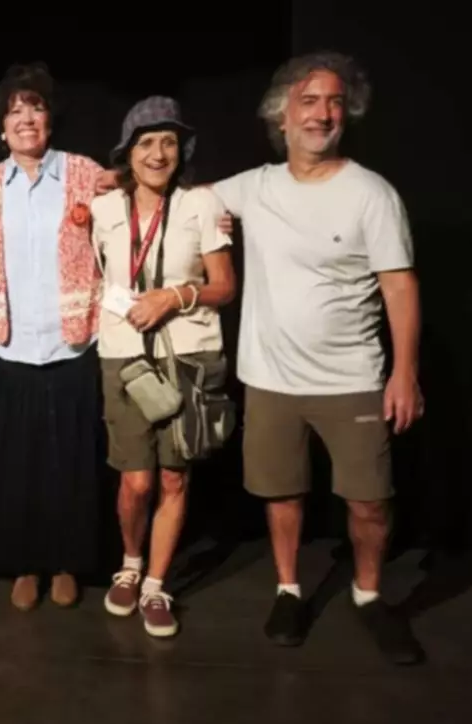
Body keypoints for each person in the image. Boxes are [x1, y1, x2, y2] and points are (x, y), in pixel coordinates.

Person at [211, 52, 426, 664]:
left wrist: (404, 373)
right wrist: (117, 182)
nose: (322, 114)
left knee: (369, 501)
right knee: (282, 493)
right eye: (308, 101)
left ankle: (368, 594)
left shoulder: (371, 194)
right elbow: (181, 199)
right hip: (270, 379)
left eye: (334, 102)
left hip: (352, 379)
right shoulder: (254, 187)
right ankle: (288, 589)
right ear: (281, 115)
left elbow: (399, 286)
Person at [0, 62, 107, 611]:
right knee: (16, 464)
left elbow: (139, 199)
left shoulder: (83, 173)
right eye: (14, 111)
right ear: (1, 127)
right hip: (11, 343)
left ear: (50, 118)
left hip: (73, 342)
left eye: (35, 108)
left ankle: (67, 562)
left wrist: (209, 212)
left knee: (71, 460)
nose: (25, 119)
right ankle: (23, 564)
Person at [91, 97, 236, 638]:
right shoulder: (104, 209)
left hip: (189, 355)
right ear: (128, 152)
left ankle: (155, 584)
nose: (158, 154)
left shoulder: (202, 203)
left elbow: (225, 286)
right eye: (147, 143)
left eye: (169, 142)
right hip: (125, 355)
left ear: (182, 150)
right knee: (135, 480)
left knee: (175, 477)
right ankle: (130, 564)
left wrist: (173, 297)